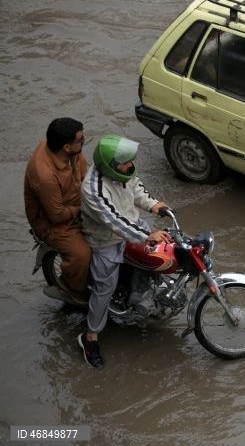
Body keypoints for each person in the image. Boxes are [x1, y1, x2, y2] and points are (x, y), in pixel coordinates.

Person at [77, 134, 171, 367]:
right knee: (104, 289)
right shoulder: (93, 189)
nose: (130, 165)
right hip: (106, 240)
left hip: (134, 226)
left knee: (158, 257)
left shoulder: (124, 172)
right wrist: (146, 236)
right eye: (125, 162)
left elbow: (136, 188)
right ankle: (90, 337)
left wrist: (153, 204)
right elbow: (113, 221)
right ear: (110, 165)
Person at [24, 118, 91, 303]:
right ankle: (74, 290)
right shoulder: (44, 175)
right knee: (82, 255)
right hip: (54, 222)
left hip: (77, 202)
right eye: (80, 139)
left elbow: (86, 175)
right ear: (66, 147)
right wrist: (81, 210)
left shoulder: (71, 151)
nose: (83, 141)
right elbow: (57, 215)